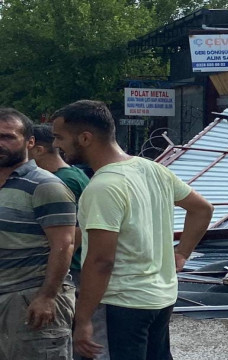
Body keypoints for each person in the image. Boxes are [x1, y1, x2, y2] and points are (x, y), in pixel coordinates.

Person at [51, 100, 213, 360]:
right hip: (161, 298)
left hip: (124, 303)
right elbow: (202, 209)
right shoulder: (153, 169)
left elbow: (102, 260)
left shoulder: (103, 186)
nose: (56, 145)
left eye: (60, 137)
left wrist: (82, 318)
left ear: (85, 138)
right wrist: (182, 254)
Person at [0, 108, 77, 359]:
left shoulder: (46, 185)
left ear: (30, 142)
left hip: (29, 299)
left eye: (8, 137)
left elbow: (65, 245)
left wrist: (46, 296)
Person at [29, 124, 90, 286]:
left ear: (38, 150)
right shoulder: (75, 173)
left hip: (71, 268)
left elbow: (76, 230)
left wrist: (61, 266)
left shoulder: (61, 181)